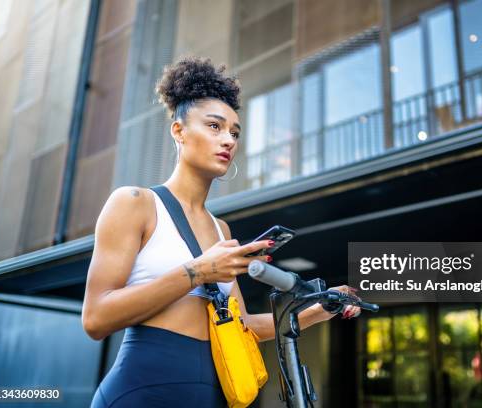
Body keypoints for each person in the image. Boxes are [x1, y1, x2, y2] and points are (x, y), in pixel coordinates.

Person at [82, 56, 362, 407]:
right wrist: (199, 271)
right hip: (142, 391)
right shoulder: (134, 203)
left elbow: (242, 325)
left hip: (211, 395)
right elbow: (95, 319)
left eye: (234, 132)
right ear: (179, 130)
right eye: (214, 126)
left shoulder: (220, 229)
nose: (228, 139)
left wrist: (319, 309)